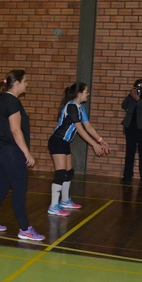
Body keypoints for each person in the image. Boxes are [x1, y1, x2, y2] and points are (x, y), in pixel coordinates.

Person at [0, 69, 44, 241]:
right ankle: (25, 229)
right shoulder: (12, 101)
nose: (27, 84)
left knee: (3, 185)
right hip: (10, 151)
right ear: (16, 84)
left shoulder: (5, 100)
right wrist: (27, 153)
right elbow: (15, 130)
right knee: (20, 188)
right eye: (25, 81)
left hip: (1, 150)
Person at [47, 82, 110, 216]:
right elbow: (80, 130)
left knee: (69, 173)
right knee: (61, 173)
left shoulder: (80, 108)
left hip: (64, 143)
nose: (88, 94)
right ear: (79, 93)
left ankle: (65, 200)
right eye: (86, 91)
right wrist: (94, 145)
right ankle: (53, 206)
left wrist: (100, 140)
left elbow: (88, 127)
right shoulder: (71, 107)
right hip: (57, 141)